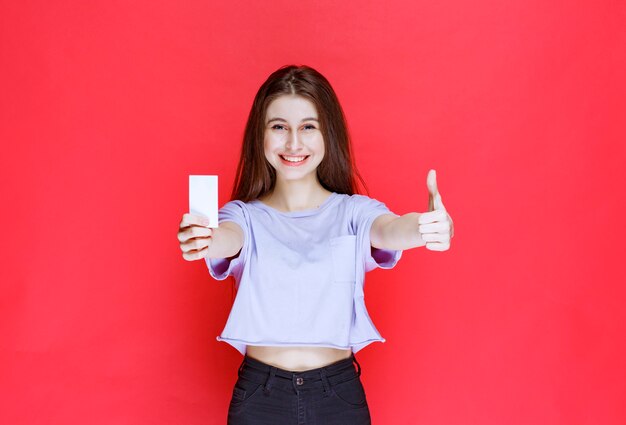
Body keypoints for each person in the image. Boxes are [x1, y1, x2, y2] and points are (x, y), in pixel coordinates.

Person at [177, 65, 454, 424]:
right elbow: (226, 238)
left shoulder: (354, 212)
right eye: (279, 127)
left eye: (309, 127)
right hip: (260, 398)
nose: (293, 143)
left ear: (329, 135)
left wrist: (425, 227)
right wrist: (204, 238)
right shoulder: (243, 216)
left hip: (337, 396)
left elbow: (389, 230)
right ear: (259, 136)